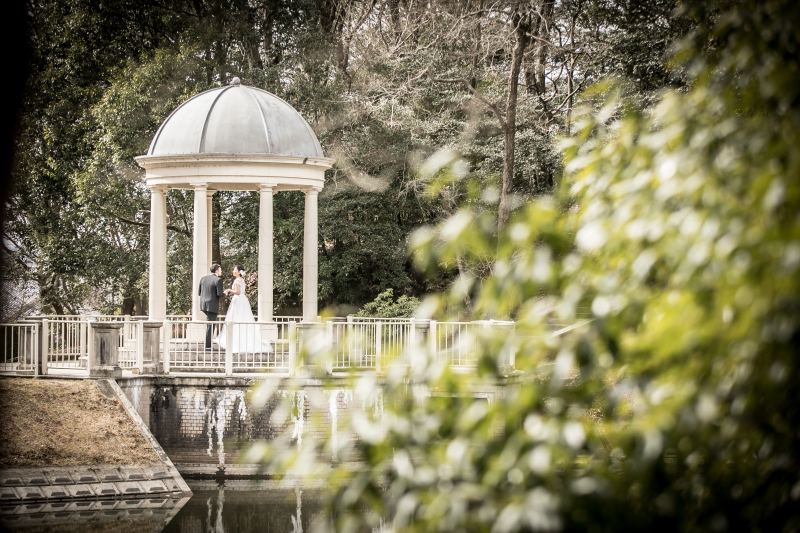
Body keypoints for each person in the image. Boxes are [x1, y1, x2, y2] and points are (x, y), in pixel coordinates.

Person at [215, 265, 272, 353]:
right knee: (242, 317)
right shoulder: (241, 280)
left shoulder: (237, 280)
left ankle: (235, 341)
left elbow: (237, 292)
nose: (233, 271)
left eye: (234, 270)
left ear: (238, 272)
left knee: (236, 317)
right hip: (243, 301)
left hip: (238, 301)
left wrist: (229, 290)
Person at [198, 264, 224, 350]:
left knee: (210, 323)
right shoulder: (218, 280)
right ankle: (208, 347)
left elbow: (199, 292)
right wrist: (226, 293)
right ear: (216, 271)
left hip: (203, 304)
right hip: (212, 305)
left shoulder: (203, 279)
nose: (221, 271)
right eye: (220, 270)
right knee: (210, 324)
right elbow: (219, 294)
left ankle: (208, 345)